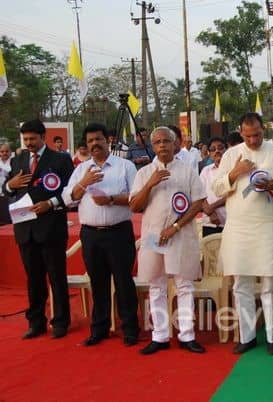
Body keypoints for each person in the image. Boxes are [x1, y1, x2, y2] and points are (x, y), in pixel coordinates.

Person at [212, 112, 273, 356]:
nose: (253, 140)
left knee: (271, 282)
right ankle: (248, 335)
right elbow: (216, 187)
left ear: (265, 130)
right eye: (248, 136)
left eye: (257, 135)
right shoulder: (231, 155)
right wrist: (234, 172)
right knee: (241, 283)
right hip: (239, 227)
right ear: (241, 132)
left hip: (271, 226)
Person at [130, 126, 206, 355]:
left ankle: (187, 335)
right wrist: (150, 183)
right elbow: (134, 205)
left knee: (184, 285)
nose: (162, 145)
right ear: (152, 146)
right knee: (156, 285)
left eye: (166, 141)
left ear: (176, 144)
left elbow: (198, 203)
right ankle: (160, 336)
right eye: (157, 142)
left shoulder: (188, 170)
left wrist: (175, 227)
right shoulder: (144, 173)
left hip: (180, 234)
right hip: (153, 236)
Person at [62, 123, 140, 346]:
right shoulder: (81, 170)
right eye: (90, 141)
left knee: (124, 282)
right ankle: (100, 328)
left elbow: (136, 198)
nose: (94, 144)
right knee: (98, 282)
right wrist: (84, 183)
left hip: (118, 232)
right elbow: (68, 199)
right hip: (90, 235)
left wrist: (112, 199)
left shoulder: (124, 166)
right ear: (86, 145)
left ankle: (130, 329)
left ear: (108, 140)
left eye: (98, 139)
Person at [2, 119, 74, 339]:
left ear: (43, 137)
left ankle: (61, 321)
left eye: (33, 138)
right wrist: (9, 185)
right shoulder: (18, 159)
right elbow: (9, 192)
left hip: (51, 226)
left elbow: (70, 192)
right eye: (26, 139)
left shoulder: (61, 159)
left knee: (56, 276)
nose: (29, 143)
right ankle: (36, 322)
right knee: (33, 278)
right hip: (25, 228)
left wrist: (50, 204)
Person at [199, 138, 228, 236]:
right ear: (209, 154)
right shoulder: (206, 171)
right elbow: (200, 195)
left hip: (230, 224)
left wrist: (212, 207)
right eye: (213, 149)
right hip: (209, 223)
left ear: (226, 150)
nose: (217, 151)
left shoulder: (233, 169)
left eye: (220, 148)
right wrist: (210, 213)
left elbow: (233, 194)